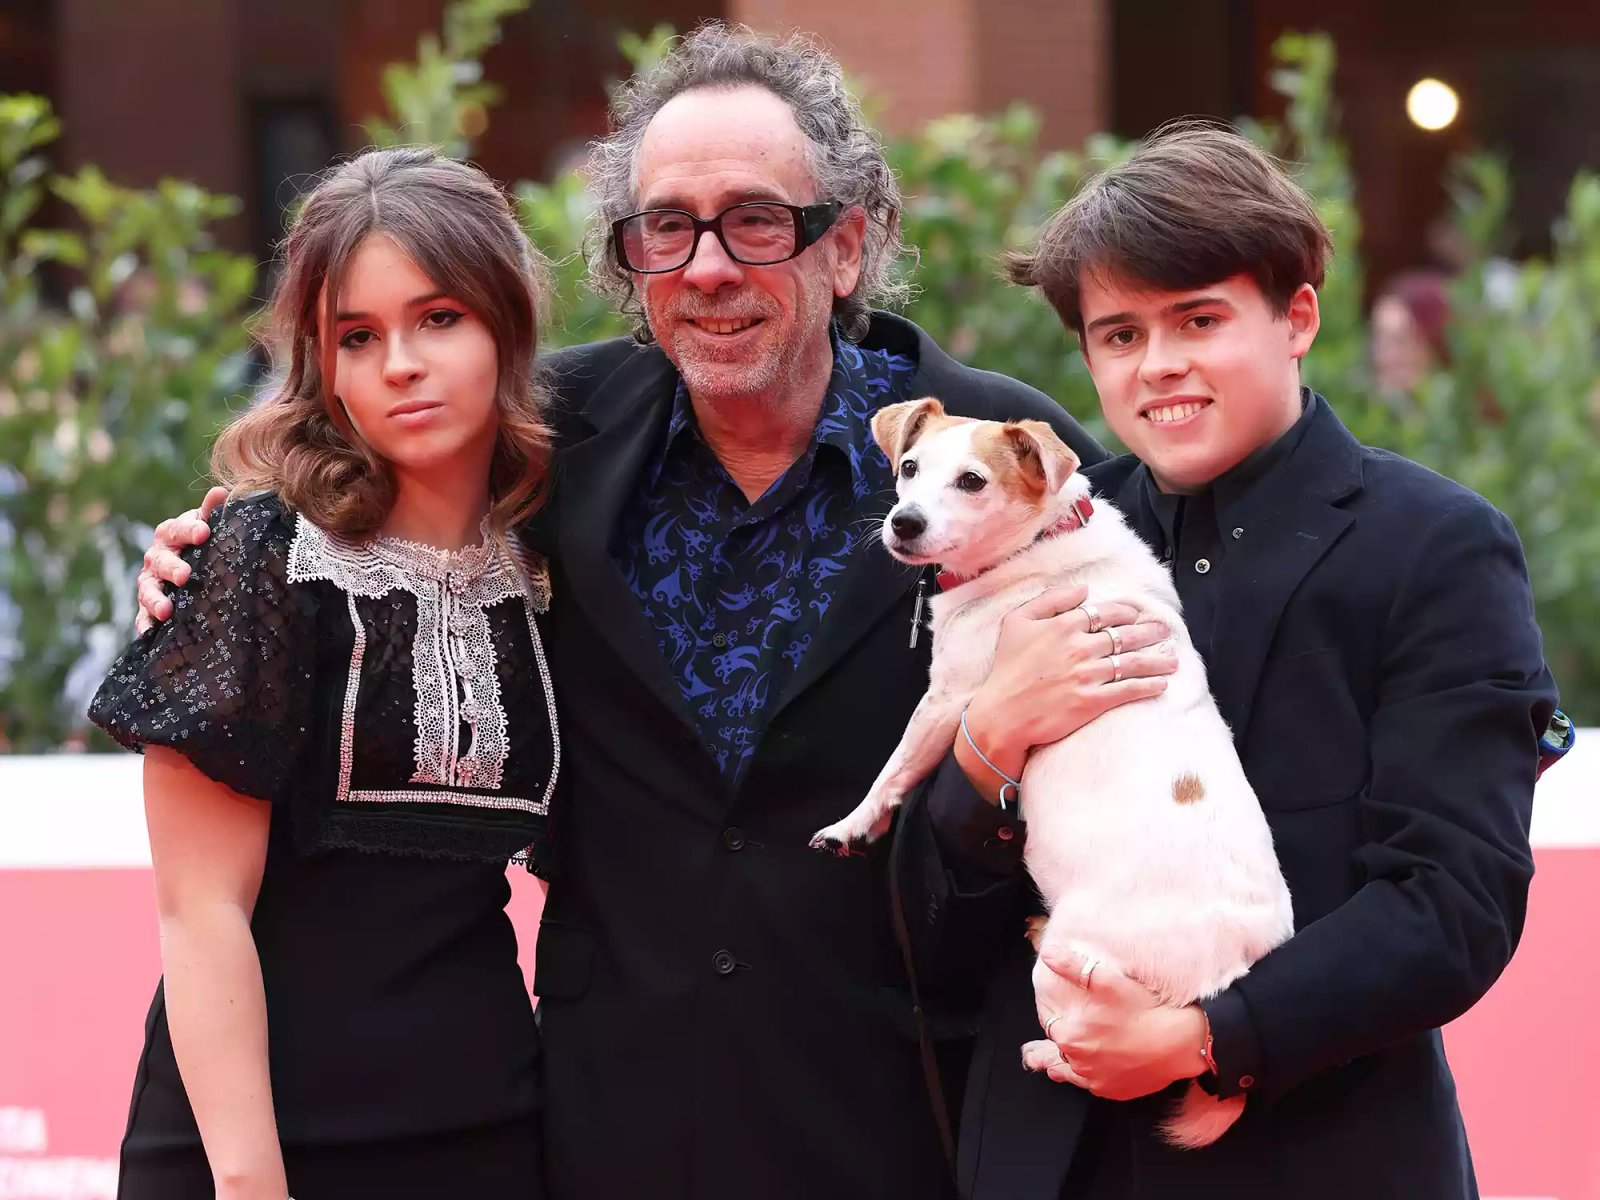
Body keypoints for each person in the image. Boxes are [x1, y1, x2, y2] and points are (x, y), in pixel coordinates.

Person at [131, 23, 1184, 1200]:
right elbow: (362, 482)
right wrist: (208, 560)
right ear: (629, 262)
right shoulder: (547, 440)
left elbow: (1154, 717)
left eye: (755, 221)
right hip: (598, 1117)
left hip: (900, 1111)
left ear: (846, 245)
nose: (708, 267)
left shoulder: (1009, 454)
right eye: (666, 229)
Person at [898, 122, 1566, 1199]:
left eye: (1198, 320)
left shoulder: (1431, 544)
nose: (1158, 366)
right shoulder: (1032, 533)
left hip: (1320, 1155)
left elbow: (1454, 901)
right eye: (1117, 336)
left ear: (1294, 316)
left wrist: (1206, 1036)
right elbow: (927, 909)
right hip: (1047, 1152)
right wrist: (985, 749)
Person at [92, 146, 559, 1199]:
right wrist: (252, 1184)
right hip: (253, 1147)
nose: (400, 362)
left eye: (438, 318)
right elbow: (200, 909)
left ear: (505, 324)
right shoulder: (260, 556)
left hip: (488, 1132)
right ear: (323, 363)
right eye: (359, 336)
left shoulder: (552, 559)